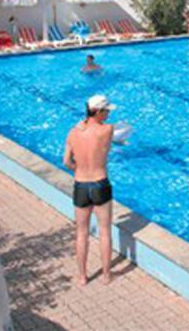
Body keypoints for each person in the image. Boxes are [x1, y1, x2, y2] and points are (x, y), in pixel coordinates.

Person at [64, 94, 116, 286]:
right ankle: (106, 275)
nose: (108, 113)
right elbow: (107, 147)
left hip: (80, 185)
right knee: (104, 231)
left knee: (81, 233)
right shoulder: (107, 130)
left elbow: (66, 161)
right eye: (106, 110)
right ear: (98, 111)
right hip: (100, 183)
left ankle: (83, 277)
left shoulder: (72, 132)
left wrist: (78, 169)